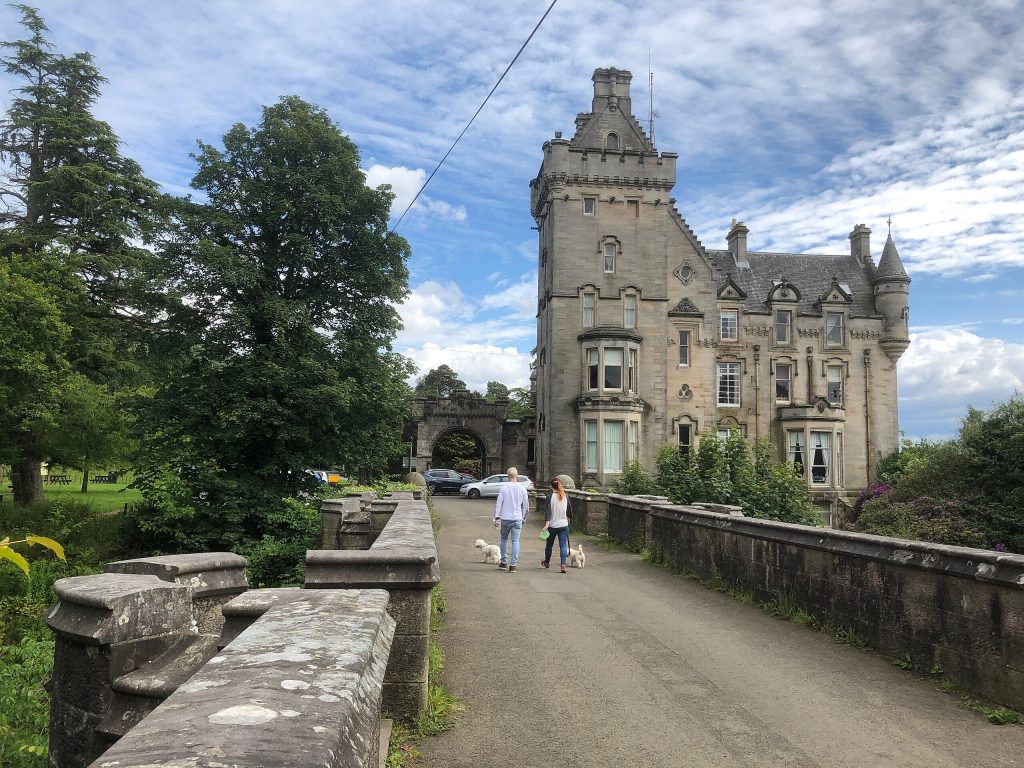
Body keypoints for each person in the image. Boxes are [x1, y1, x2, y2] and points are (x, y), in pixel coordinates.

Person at [493, 466, 529, 573]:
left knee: (504, 540)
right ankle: (513, 565)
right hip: (517, 518)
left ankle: (503, 562)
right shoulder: (522, 489)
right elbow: (526, 506)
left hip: (505, 518)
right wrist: (524, 518)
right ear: (517, 475)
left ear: (508, 476)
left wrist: (495, 517)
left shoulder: (504, 488)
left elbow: (498, 504)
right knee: (515, 541)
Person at [541, 477, 572, 573]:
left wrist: (546, 524)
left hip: (552, 526)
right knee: (563, 545)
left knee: (549, 545)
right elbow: (569, 510)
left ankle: (546, 562)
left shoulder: (549, 497)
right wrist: (568, 519)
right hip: (563, 525)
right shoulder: (565, 496)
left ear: (551, 486)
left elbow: (547, 512)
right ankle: (563, 565)